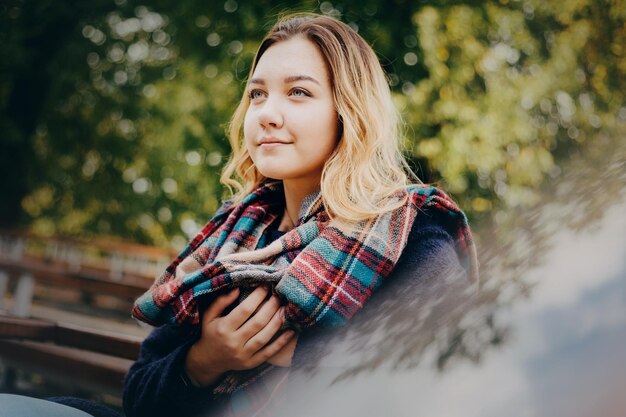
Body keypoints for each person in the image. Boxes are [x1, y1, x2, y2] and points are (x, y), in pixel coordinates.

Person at [123, 12, 478, 417]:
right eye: (257, 94)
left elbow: (446, 377)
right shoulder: (233, 236)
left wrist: (302, 355)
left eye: (298, 93)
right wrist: (205, 360)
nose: (267, 113)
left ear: (349, 112)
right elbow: (137, 398)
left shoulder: (409, 232)